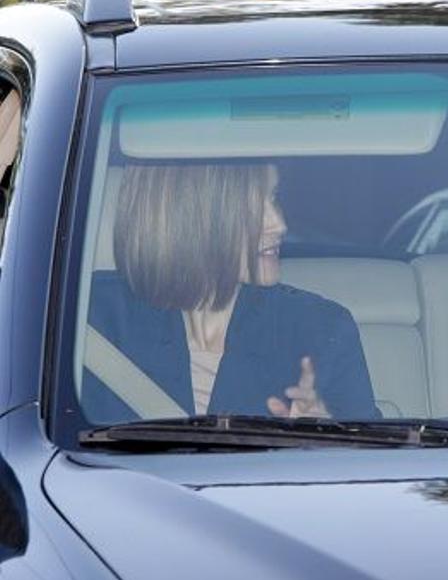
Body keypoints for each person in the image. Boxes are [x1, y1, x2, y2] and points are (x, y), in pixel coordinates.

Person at [84, 163, 378, 421]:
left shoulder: (320, 329)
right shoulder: (86, 323)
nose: (279, 224)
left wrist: (329, 441)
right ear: (189, 217)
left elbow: (369, 470)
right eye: (251, 206)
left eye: (273, 197)